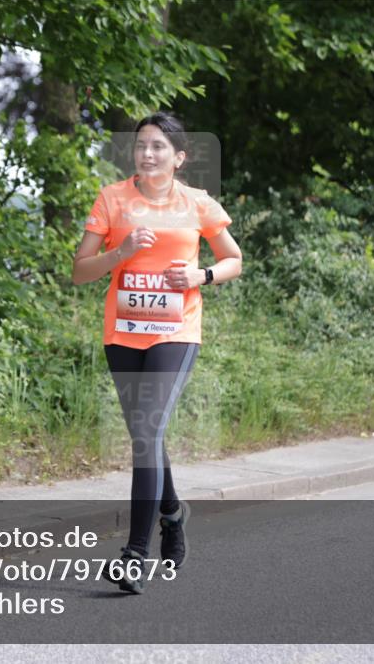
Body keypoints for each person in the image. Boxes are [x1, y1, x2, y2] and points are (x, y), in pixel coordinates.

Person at [71, 112, 243, 594]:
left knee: (147, 431)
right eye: (141, 145)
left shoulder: (198, 202)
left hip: (176, 332)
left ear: (178, 157)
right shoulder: (111, 198)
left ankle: (133, 556)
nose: (147, 154)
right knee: (146, 435)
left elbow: (234, 259)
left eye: (158, 147)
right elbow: (80, 271)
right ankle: (171, 513)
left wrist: (200, 276)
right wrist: (120, 252)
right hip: (123, 332)